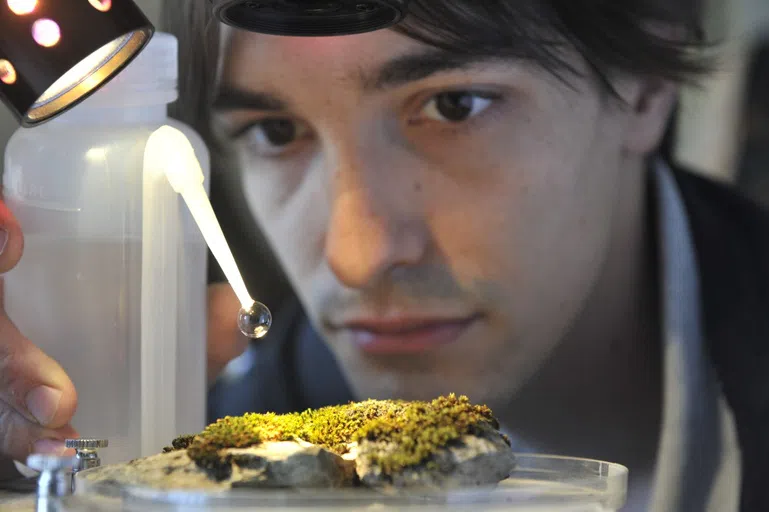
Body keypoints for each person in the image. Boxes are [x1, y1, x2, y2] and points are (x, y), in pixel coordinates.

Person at [0, 0, 768, 510]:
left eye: (452, 106)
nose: (356, 257)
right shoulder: (230, 457)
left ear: (643, 87)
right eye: (275, 131)